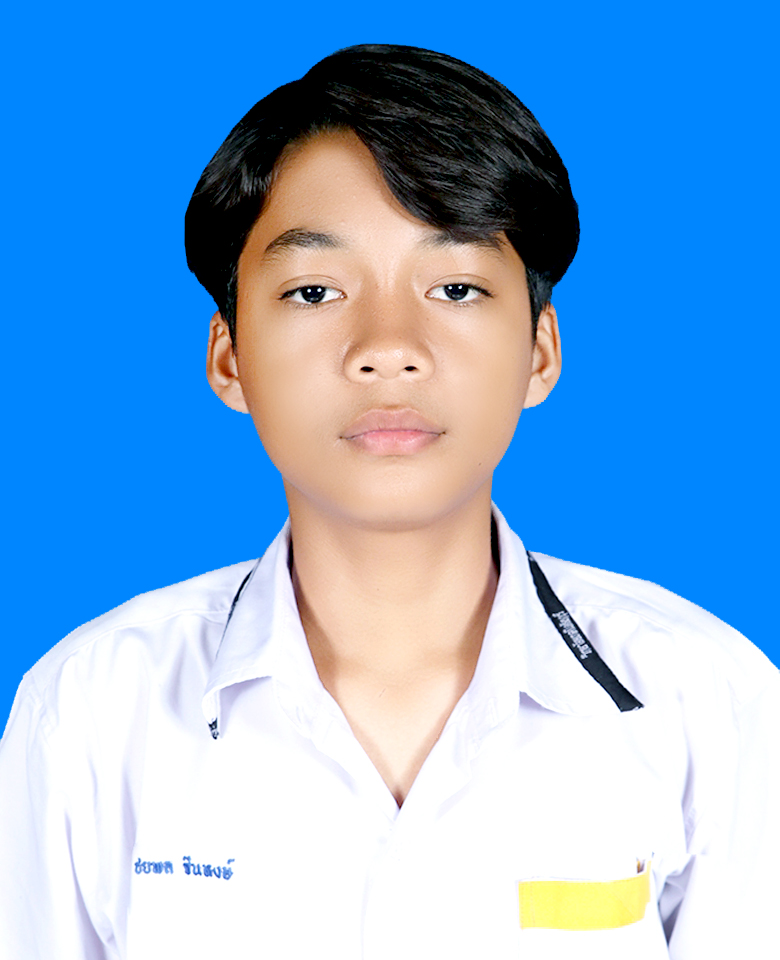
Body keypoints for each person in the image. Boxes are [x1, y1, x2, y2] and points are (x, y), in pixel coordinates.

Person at [0, 44, 777, 960]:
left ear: (539, 352)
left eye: (456, 287)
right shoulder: (91, 711)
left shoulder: (708, 702)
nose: (388, 347)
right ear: (229, 357)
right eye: (314, 290)